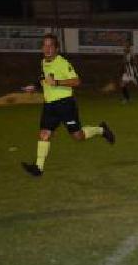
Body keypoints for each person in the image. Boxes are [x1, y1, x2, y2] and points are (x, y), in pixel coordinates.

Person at [21, 34, 115, 177]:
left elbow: (77, 81)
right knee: (44, 134)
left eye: (50, 46)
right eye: (45, 45)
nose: (47, 48)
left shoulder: (62, 63)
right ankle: (38, 168)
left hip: (65, 104)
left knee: (78, 136)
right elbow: (43, 79)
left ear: (56, 48)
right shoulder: (43, 62)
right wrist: (34, 86)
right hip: (50, 106)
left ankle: (101, 129)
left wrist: (57, 82)